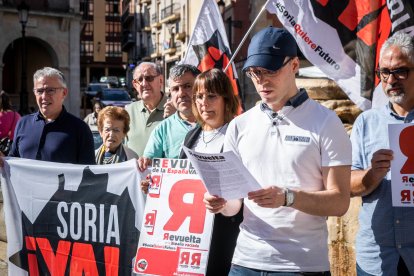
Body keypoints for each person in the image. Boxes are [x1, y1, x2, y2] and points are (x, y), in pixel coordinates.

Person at [204, 27, 351, 275]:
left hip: (303, 266)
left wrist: (288, 197)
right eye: (254, 72)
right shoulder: (240, 125)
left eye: (270, 70)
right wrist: (219, 204)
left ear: (294, 65)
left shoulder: (326, 122)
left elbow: (339, 202)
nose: (261, 80)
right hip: (245, 262)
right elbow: (234, 205)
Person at [350, 31, 414, 276]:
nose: (390, 80)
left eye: (400, 71)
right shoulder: (366, 123)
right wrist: (372, 174)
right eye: (384, 72)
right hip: (376, 259)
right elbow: (348, 185)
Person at [178, 68, 242, 276]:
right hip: (188, 236)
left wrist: (223, 204)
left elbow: (238, 199)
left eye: (211, 96)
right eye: (199, 96)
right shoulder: (191, 136)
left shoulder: (237, 134)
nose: (203, 102)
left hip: (222, 238)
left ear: (226, 98)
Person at [8, 67, 95, 164]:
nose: (44, 96)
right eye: (40, 91)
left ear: (64, 93)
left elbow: (88, 173)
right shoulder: (23, 124)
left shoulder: (80, 129)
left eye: (50, 90)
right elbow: (13, 161)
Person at [137, 64, 200, 170]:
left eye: (187, 86)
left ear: (200, 88)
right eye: (175, 89)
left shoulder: (216, 124)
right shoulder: (162, 130)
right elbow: (148, 169)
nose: (181, 93)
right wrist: (144, 165)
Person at [125, 62, 175, 156]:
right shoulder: (128, 111)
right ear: (135, 85)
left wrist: (177, 117)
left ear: (160, 80)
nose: (144, 83)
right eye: (140, 79)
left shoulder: (175, 109)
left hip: (164, 170)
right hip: (134, 170)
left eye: (149, 78)